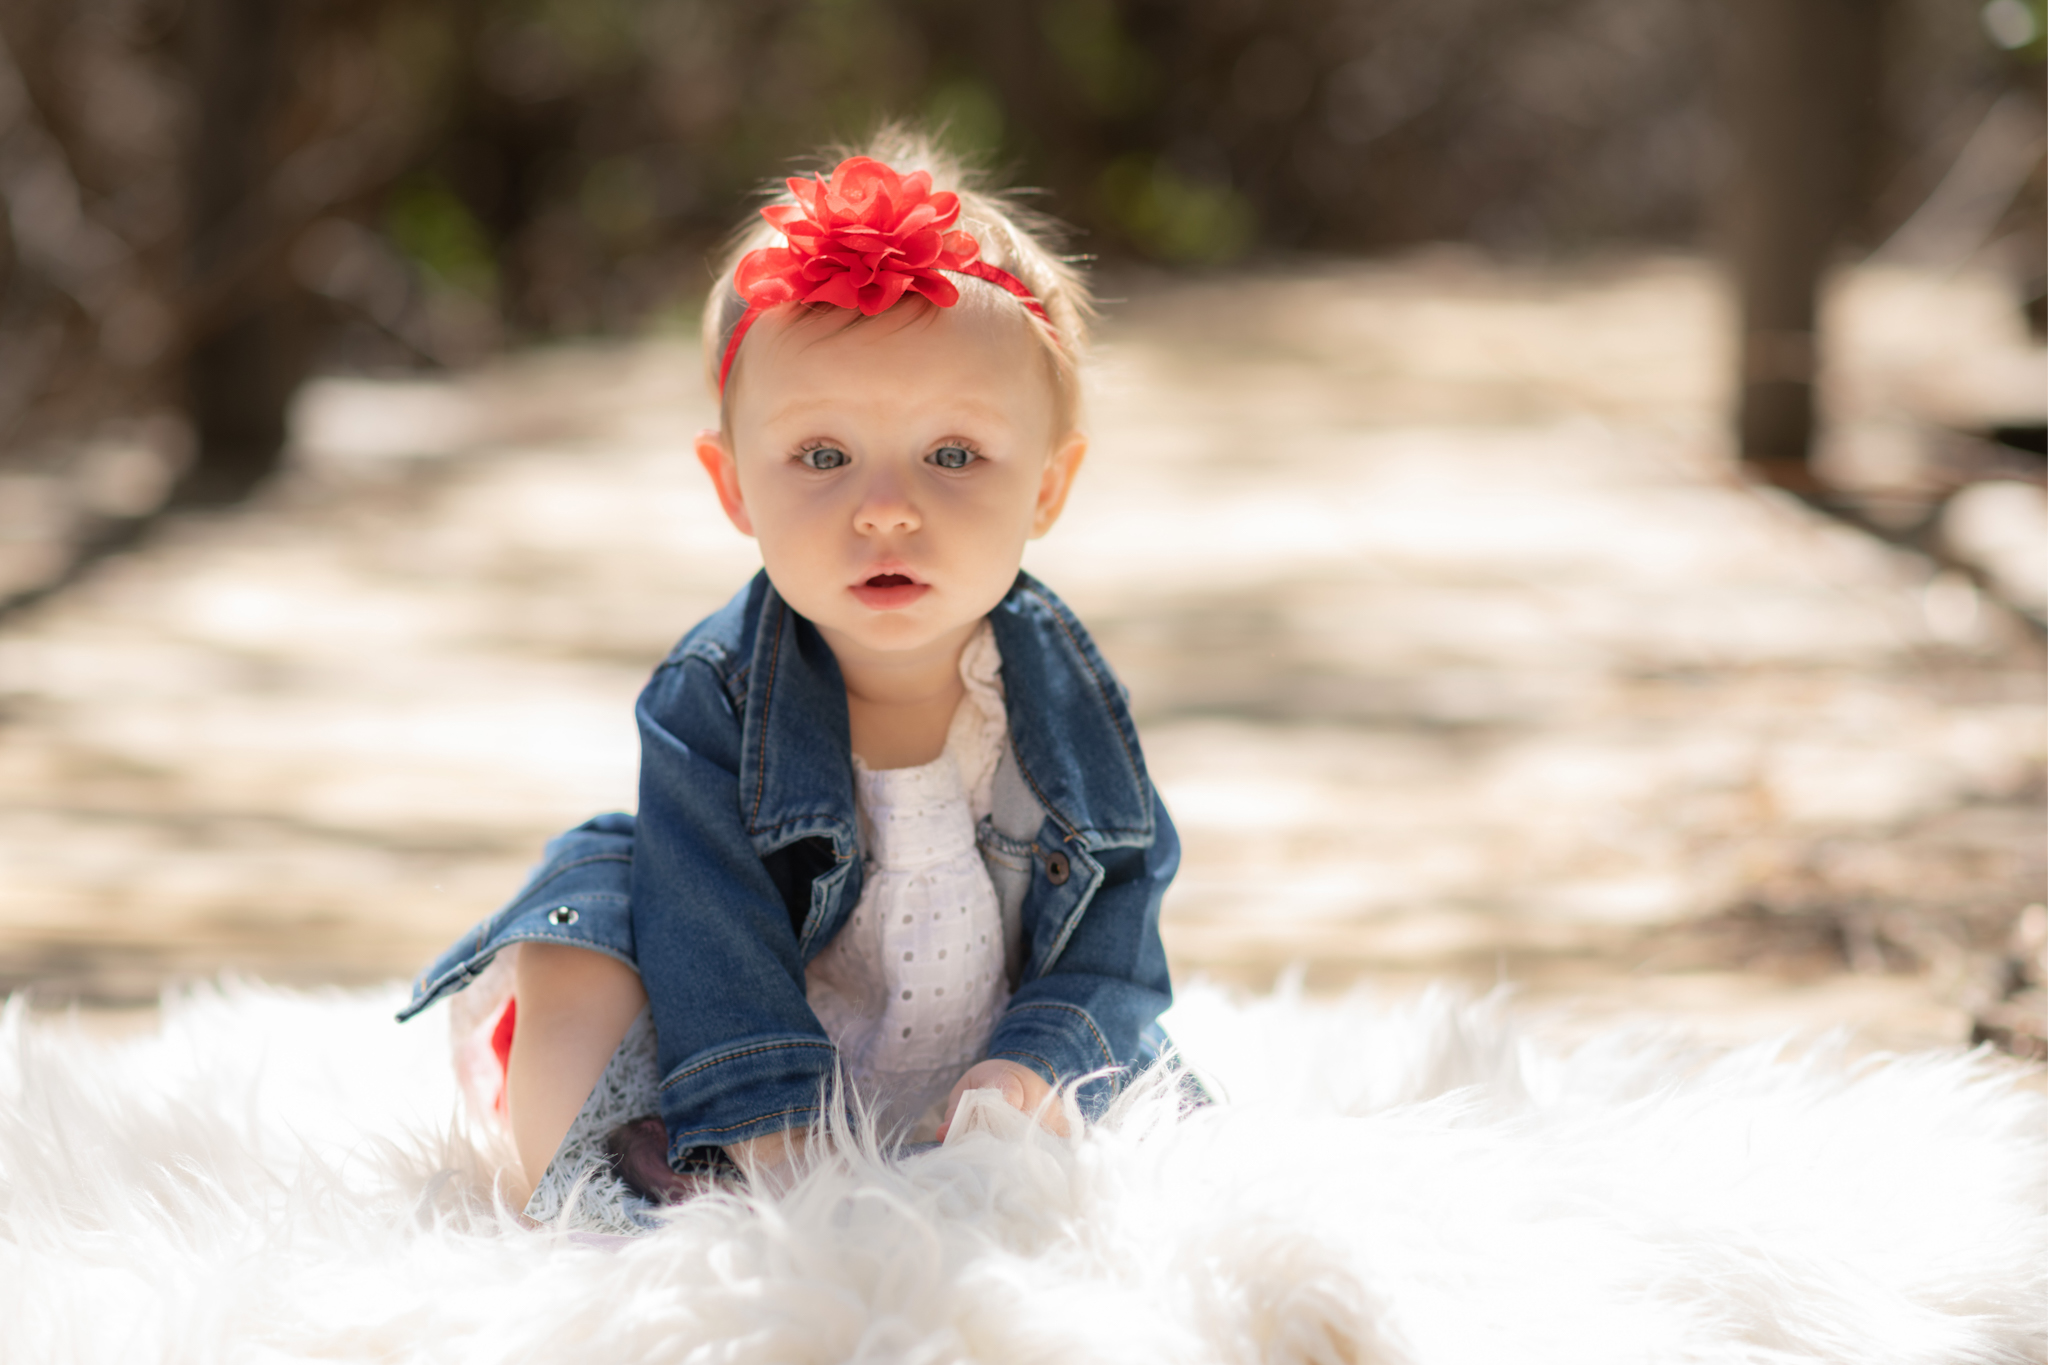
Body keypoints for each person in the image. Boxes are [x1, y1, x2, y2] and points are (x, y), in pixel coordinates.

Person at [397, 130, 1181, 1232]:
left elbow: (1116, 928)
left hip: (971, 1039)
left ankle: (982, 1118)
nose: (886, 507)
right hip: (729, 1040)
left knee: (1125, 1092)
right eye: (822, 457)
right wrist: (773, 1130)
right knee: (582, 919)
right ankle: (581, 1191)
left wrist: (1034, 1069)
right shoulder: (711, 697)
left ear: (1048, 488)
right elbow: (706, 929)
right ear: (733, 488)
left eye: (952, 455)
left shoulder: (1060, 699)